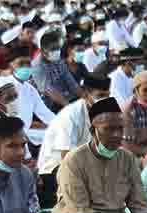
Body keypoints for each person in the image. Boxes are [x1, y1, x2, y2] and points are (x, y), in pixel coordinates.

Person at [53, 96, 147, 213]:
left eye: (120, 129)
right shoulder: (74, 160)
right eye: (109, 129)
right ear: (93, 131)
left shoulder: (128, 159)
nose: (117, 135)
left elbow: (139, 204)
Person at [36, 73, 111, 205]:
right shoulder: (71, 115)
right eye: (100, 96)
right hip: (54, 169)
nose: (104, 100)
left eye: (107, 96)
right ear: (86, 94)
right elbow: (67, 158)